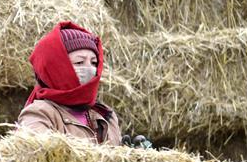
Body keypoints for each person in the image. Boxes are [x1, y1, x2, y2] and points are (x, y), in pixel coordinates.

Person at [15, 21, 152, 149]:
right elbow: (39, 159)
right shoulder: (40, 113)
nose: (90, 70)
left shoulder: (105, 116)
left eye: (93, 63)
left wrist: (134, 156)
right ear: (56, 68)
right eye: (79, 63)